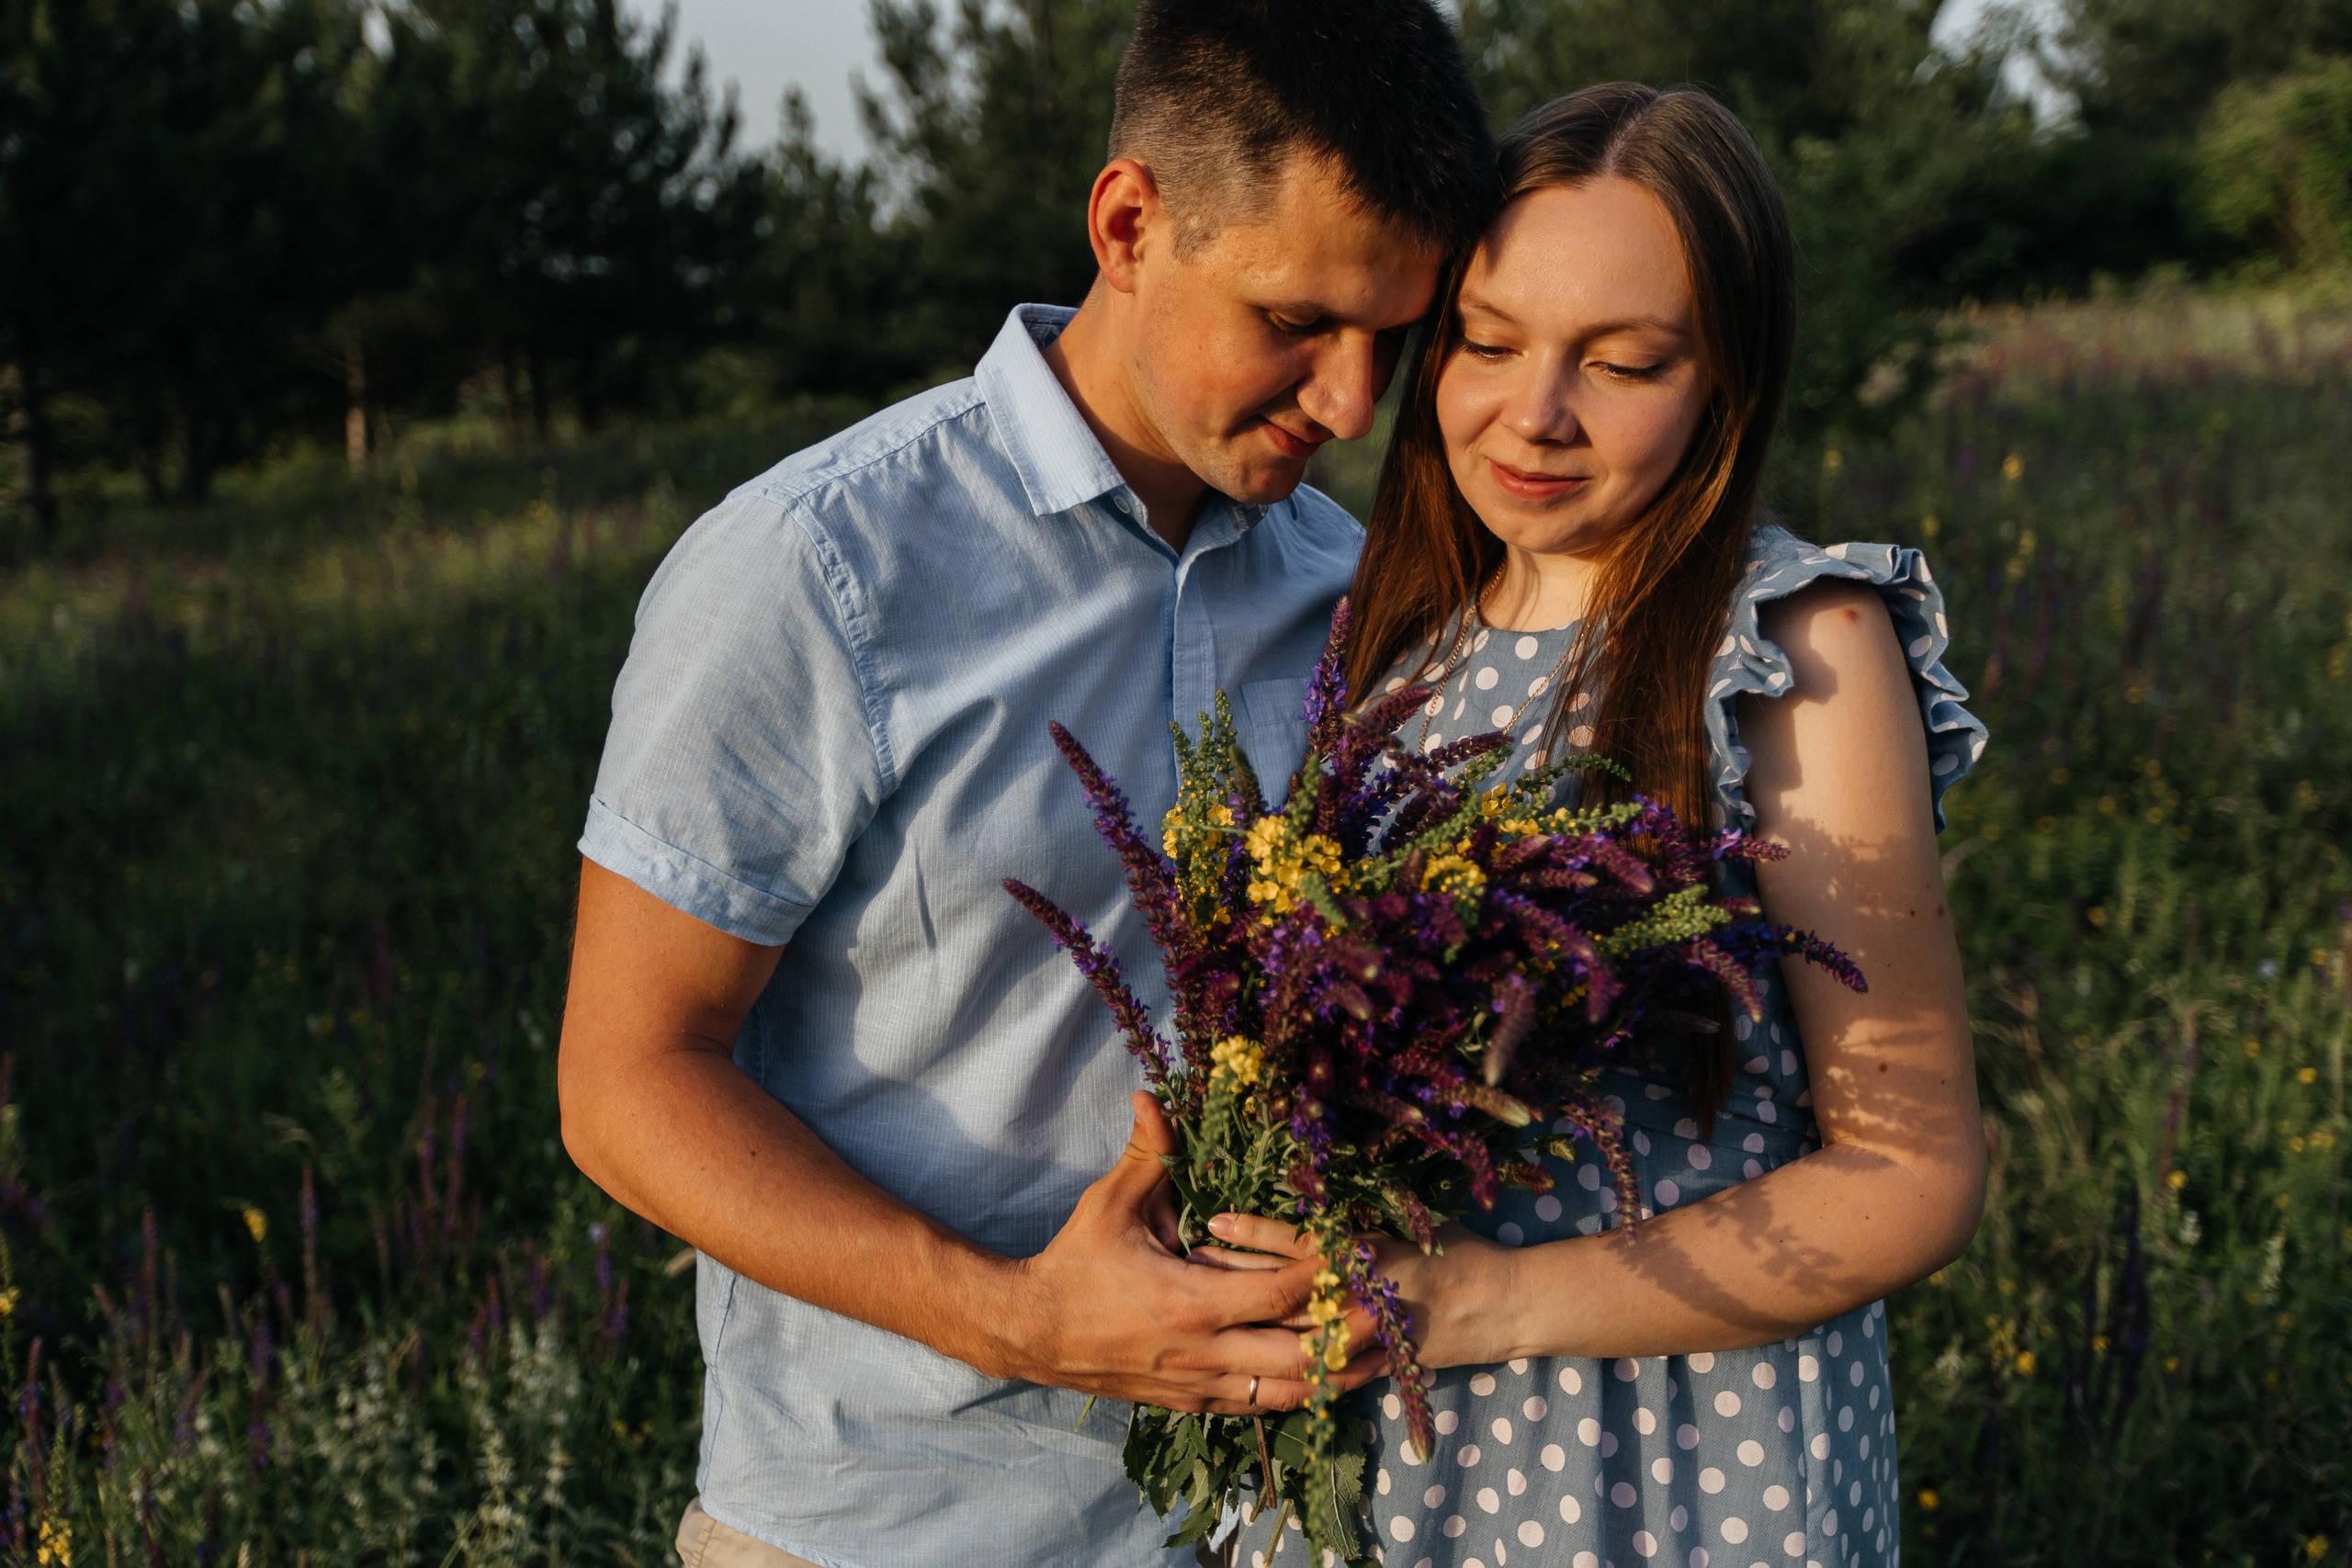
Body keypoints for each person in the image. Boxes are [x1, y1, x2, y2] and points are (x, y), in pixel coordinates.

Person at [554, 5, 1498, 1564]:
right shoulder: (819, 568)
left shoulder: (1358, 589)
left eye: (1396, 338)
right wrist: (1020, 1320)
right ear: (1130, 224)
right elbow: (625, 1081)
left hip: (1276, 1530)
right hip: (885, 1527)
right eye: (1296, 321)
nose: (1351, 401)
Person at [1202, 84, 1990, 1568]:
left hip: (1677, 1449)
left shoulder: (1788, 645)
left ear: (1724, 383)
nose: (1535, 414)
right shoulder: (1382, 640)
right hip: (1384, 1447)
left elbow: (1916, 1170)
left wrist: (1476, 1301)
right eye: (1489, 344)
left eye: (1624, 363)